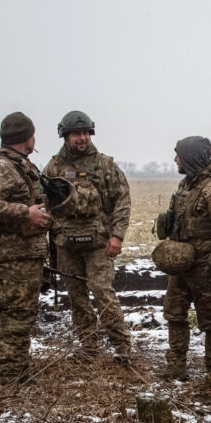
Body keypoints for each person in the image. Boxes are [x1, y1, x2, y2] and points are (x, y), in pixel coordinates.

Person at [0, 111, 66, 385]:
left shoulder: (20, 165)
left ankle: (18, 372)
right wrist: (25, 213)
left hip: (25, 254)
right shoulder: (3, 166)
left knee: (23, 316)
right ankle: (7, 378)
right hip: (14, 255)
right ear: (28, 137)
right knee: (15, 318)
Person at [43, 111, 133, 363]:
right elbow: (43, 202)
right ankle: (88, 346)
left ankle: (122, 346)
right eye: (76, 134)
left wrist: (117, 236)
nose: (81, 138)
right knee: (77, 296)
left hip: (99, 242)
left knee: (102, 291)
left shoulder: (105, 165)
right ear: (65, 135)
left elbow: (122, 201)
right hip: (66, 243)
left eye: (85, 133)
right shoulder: (53, 167)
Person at [154, 136, 211, 380]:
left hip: (205, 265)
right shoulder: (186, 185)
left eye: (180, 155)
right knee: (174, 312)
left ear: (192, 158)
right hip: (181, 262)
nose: (175, 159)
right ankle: (176, 364)